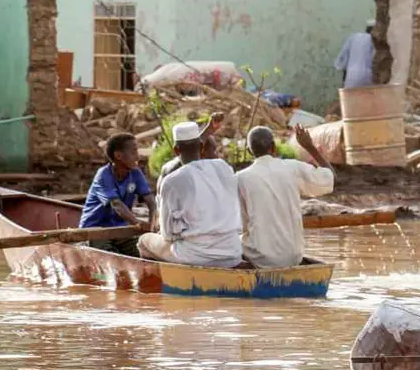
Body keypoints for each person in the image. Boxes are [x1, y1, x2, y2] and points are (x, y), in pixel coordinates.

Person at [139, 121, 244, 267]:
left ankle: (155, 284)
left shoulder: (171, 181)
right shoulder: (224, 168)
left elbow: (167, 234)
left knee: (144, 241)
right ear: (201, 147)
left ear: (175, 151)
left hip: (195, 256)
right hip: (232, 253)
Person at [237, 125, 335, 269]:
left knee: (233, 243)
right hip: (293, 256)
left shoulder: (240, 178)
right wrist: (310, 147)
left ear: (249, 151)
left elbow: (240, 223)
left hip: (260, 258)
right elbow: (331, 177)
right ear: (274, 147)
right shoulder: (292, 168)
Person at [79, 133, 156, 256]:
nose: (138, 157)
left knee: (144, 252)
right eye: (134, 152)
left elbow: (151, 202)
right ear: (118, 155)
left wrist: (153, 224)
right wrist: (137, 222)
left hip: (120, 229)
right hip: (95, 230)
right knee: (109, 255)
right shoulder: (103, 175)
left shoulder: (135, 173)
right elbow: (117, 205)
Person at [159, 111, 226, 183]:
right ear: (202, 151)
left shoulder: (168, 173)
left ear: (176, 150)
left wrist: (208, 131)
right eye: (213, 151)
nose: (216, 155)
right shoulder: (215, 174)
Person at [335, 21, 376, 90]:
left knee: (351, 99)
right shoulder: (375, 41)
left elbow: (342, 59)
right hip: (369, 78)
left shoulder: (354, 37)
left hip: (351, 77)